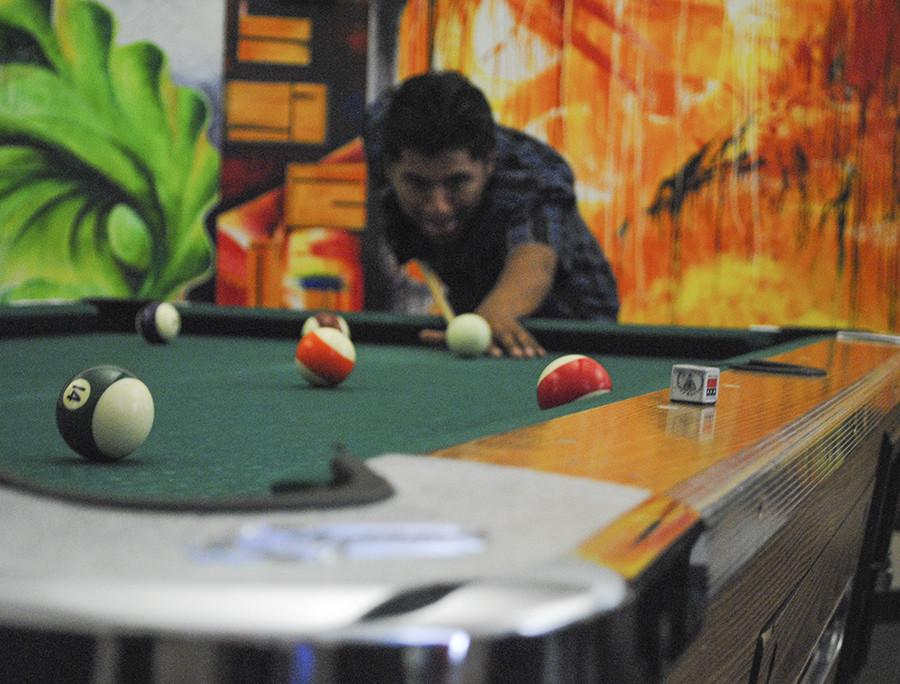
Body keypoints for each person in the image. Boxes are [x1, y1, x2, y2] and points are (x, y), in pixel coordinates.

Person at [363, 70, 619, 358]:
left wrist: (494, 314)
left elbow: (536, 259)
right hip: (474, 299)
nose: (438, 206)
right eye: (418, 183)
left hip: (573, 325)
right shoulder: (381, 133)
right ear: (389, 166)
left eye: (457, 183)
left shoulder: (529, 175)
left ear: (489, 163)